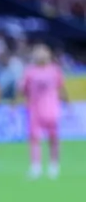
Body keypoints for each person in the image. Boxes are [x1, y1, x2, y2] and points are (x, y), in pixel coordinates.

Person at [18, 43, 66, 180]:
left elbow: (61, 88)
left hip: (49, 109)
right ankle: (38, 167)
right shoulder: (30, 71)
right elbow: (23, 89)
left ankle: (52, 167)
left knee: (52, 139)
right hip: (37, 110)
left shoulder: (53, 70)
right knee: (37, 139)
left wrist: (67, 104)